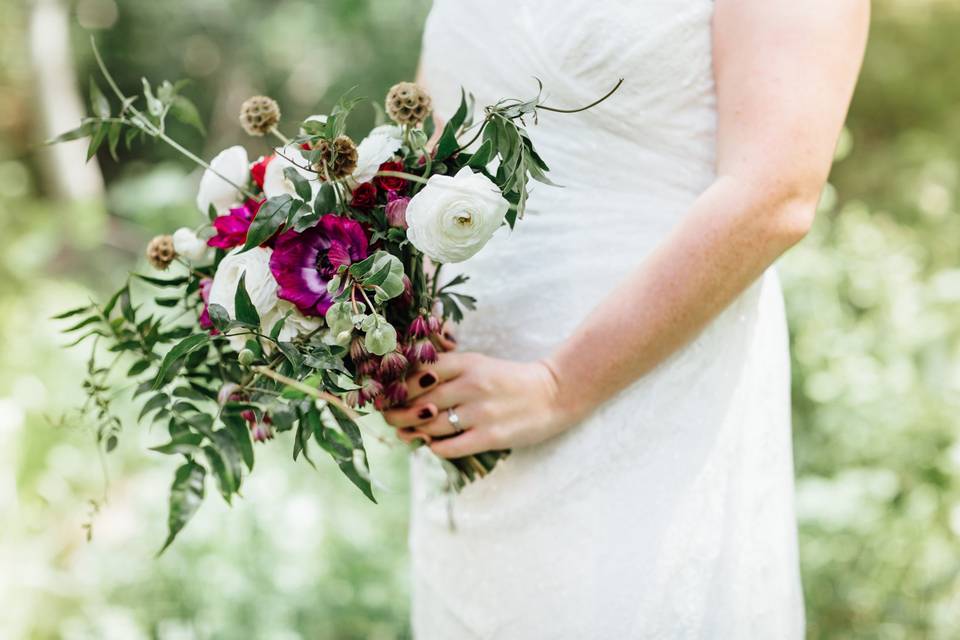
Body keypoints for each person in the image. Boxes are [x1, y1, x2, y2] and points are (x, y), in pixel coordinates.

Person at [384, 0, 869, 637]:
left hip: (648, 408)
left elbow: (774, 195)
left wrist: (559, 385)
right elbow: (422, 137)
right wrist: (382, 329)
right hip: (466, 422)